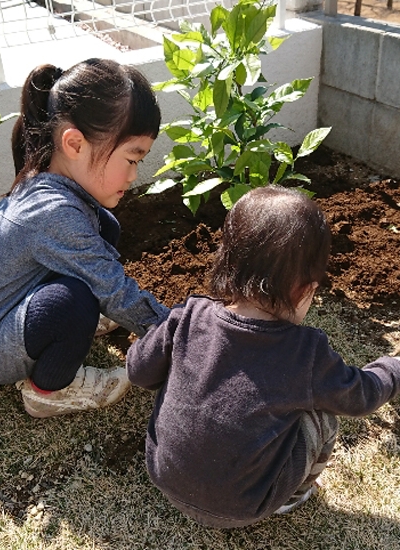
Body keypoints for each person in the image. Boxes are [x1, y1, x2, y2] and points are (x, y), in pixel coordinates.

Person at [126, 185, 400, 528]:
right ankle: (294, 495)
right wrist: (393, 366)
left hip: (164, 478)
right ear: (304, 289)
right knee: (323, 418)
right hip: (244, 507)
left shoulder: (189, 315)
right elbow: (361, 397)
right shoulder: (305, 353)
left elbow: (138, 372)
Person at [0, 58, 170, 418]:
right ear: (74, 144)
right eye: (132, 159)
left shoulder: (52, 184)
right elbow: (113, 290)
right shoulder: (55, 214)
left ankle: (67, 330)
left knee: (105, 227)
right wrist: (179, 333)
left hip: (8, 311)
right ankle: (48, 392)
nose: (133, 175)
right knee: (75, 304)